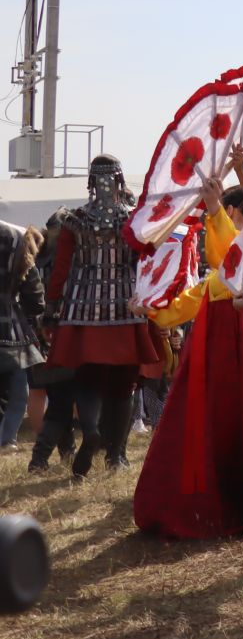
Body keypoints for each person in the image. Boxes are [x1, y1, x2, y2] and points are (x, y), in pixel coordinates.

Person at [134, 151, 243, 539]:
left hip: (241, 342)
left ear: (237, 212)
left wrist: (221, 197)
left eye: (224, 211)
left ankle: (240, 485)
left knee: (240, 416)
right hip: (215, 345)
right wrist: (152, 310)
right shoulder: (221, 271)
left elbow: (235, 253)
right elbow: (190, 300)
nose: (214, 220)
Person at [43, 155, 162, 477]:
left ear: (91, 181)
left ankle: (93, 430)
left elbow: (62, 269)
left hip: (82, 310)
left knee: (88, 380)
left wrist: (52, 308)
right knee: (123, 386)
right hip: (126, 309)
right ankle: (116, 455)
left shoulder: (74, 220)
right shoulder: (134, 219)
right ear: (120, 179)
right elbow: (148, 263)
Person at [0, 223, 46, 451]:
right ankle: (6, 439)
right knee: (18, 390)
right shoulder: (19, 237)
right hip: (9, 329)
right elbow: (35, 298)